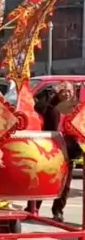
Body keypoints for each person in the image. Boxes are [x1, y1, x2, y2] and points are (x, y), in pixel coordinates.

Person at [26, 81, 80, 221]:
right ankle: (32, 208)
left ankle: (58, 211)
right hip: (49, 149)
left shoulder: (76, 109)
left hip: (68, 150)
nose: (66, 93)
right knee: (42, 179)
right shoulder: (50, 106)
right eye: (63, 90)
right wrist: (52, 90)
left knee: (65, 184)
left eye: (69, 91)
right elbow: (37, 105)